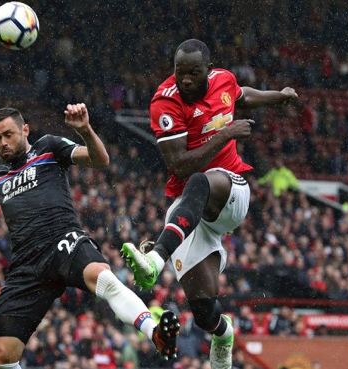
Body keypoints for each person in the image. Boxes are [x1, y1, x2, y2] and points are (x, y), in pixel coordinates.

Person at [0, 104, 180, 369]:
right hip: (26, 265)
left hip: (63, 240)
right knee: (1, 354)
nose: (2, 143)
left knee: (101, 275)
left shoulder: (48, 147)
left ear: (25, 130)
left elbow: (100, 159)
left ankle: (154, 332)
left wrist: (84, 129)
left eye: (8, 135)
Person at [121, 39, 297, 369]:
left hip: (229, 191)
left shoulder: (223, 80)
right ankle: (223, 334)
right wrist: (225, 133)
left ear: (208, 69)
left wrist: (279, 97)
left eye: (193, 72)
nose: (184, 79)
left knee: (202, 180)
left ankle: (155, 261)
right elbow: (179, 166)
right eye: (179, 72)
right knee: (203, 310)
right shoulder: (165, 103)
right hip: (190, 207)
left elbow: (242, 94)